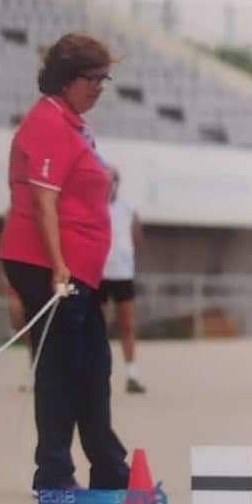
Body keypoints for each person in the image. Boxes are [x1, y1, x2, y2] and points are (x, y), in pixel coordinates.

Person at [0, 33, 131, 492]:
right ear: (66, 79)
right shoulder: (50, 124)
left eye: (103, 78)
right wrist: (58, 266)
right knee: (65, 369)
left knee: (92, 365)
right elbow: (43, 203)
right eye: (91, 78)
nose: (98, 87)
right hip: (49, 268)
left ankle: (107, 469)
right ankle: (57, 473)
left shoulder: (73, 125)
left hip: (77, 273)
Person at [99, 167, 147, 394]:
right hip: (99, 274)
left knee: (126, 324)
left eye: (113, 180)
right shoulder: (94, 207)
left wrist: (128, 260)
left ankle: (132, 374)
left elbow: (137, 239)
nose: (110, 185)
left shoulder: (128, 208)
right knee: (98, 326)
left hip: (122, 274)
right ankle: (97, 374)